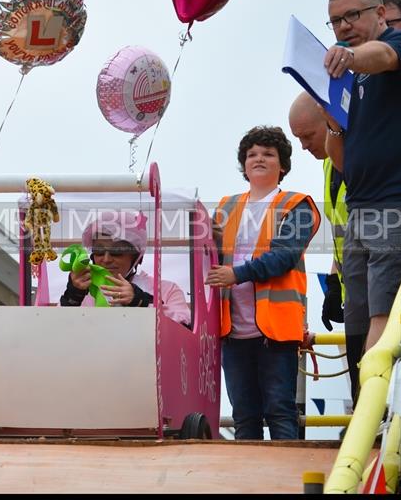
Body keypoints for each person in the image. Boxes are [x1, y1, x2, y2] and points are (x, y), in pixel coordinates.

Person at [322, 0, 401, 400]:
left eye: (352, 15)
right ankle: (365, 411)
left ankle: (374, 415)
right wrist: (332, 120)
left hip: (394, 205)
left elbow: (385, 54)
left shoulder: (398, 44)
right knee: (357, 320)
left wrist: (352, 57)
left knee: (382, 314)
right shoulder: (355, 76)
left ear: (380, 13)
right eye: (336, 20)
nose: (343, 26)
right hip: (360, 208)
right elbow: (342, 157)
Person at [206, 126, 320, 440]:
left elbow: (284, 256)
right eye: (252, 154)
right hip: (232, 331)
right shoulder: (225, 208)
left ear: (282, 165)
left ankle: (287, 486)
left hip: (277, 332)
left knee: (280, 411)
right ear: (243, 164)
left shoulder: (297, 204)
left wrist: (236, 274)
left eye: (268, 154)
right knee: (244, 417)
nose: (259, 158)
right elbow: (208, 258)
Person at [59, 210, 191, 326]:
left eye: (117, 251)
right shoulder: (84, 288)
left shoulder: (167, 290)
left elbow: (184, 328)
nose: (106, 259)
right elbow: (56, 332)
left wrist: (141, 301)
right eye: (99, 251)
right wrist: (73, 296)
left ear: (136, 257)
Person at [288, 92, 347, 332]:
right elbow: (342, 235)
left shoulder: (364, 156)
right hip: (355, 291)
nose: (303, 146)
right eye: (298, 138)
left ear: (330, 119)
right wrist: (334, 284)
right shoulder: (328, 164)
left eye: (308, 135)